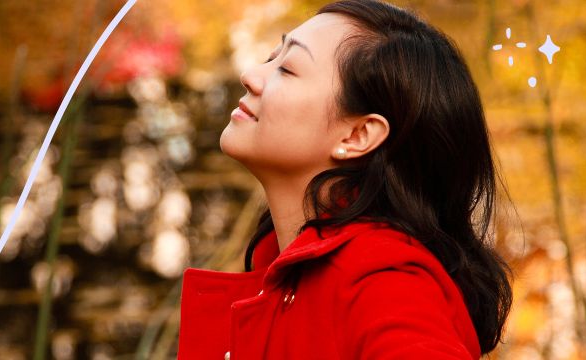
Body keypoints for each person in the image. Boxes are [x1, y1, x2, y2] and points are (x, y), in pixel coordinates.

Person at [177, 0, 513, 358]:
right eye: (272, 56)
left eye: (287, 69)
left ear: (357, 135)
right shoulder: (289, 273)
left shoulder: (383, 280)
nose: (251, 75)